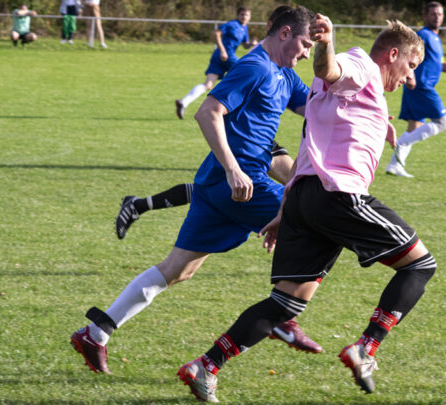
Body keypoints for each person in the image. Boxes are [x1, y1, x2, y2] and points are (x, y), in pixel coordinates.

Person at [177, 15, 434, 401]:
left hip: (304, 197)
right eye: (410, 66)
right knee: (419, 265)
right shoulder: (360, 64)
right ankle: (366, 348)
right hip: (338, 196)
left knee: (286, 302)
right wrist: (326, 44)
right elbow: (330, 69)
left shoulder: (361, 95)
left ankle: (206, 366)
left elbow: (314, 138)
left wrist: (287, 207)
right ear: (392, 54)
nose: (410, 78)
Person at [70, 6, 320, 375]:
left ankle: (97, 331)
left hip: (214, 186)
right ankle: (283, 315)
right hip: (240, 183)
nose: (307, 53)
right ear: (284, 33)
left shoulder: (284, 73)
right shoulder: (256, 67)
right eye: (304, 43)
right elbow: (208, 112)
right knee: (313, 225)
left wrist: (371, 113)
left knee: (177, 270)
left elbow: (319, 105)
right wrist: (234, 169)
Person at [116, 7, 296, 240]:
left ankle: (138, 205)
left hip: (255, 138)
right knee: (296, 190)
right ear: (279, 28)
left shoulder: (273, 56)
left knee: (210, 189)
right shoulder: (260, 58)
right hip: (241, 136)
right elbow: (219, 103)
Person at [115, 141, 292, 239]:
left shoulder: (289, 80)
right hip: (249, 140)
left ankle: (138, 205)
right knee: (218, 190)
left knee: (215, 190)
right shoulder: (262, 75)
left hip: (257, 139)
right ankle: (137, 205)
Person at [385, 1, 446, 178]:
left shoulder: (435, 37)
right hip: (422, 87)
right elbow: (405, 55)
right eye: (433, 14)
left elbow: (439, 64)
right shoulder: (422, 36)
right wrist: (410, 76)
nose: (437, 17)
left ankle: (394, 165)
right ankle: (401, 144)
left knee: (415, 127)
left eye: (440, 14)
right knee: (442, 122)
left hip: (419, 88)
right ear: (425, 16)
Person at [175, 7, 259, 119]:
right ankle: (242, 110)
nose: (244, 17)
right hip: (224, 55)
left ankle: (183, 102)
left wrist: (251, 44)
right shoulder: (231, 24)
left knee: (208, 84)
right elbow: (216, 33)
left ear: (250, 17)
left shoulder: (244, 28)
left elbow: (244, 44)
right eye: (242, 14)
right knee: (246, 74)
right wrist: (222, 50)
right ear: (237, 15)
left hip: (224, 55)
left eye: (247, 15)